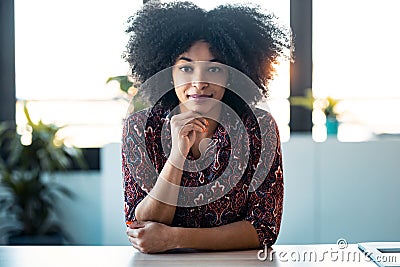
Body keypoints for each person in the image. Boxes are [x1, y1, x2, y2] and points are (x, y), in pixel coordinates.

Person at [122, 1, 292, 254]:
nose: (199, 83)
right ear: (168, 72)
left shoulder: (259, 127)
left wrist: (174, 238)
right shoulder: (139, 127)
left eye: (214, 68)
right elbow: (142, 226)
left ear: (231, 74)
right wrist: (177, 157)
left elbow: (264, 228)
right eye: (186, 67)